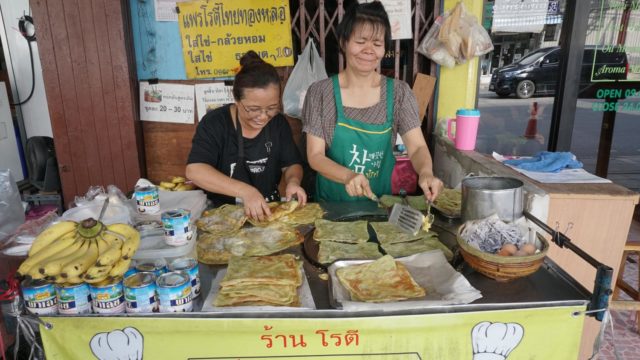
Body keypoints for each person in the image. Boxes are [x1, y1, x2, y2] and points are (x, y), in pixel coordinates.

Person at [302, 1, 443, 203]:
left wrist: (426, 172)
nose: (369, 50)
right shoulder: (320, 93)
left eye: (377, 44)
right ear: (343, 42)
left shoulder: (399, 93)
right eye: (361, 41)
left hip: (378, 204)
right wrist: (348, 176)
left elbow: (418, 147)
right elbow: (315, 156)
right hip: (331, 206)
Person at [186, 51, 307, 221]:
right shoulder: (215, 123)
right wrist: (246, 191)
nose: (264, 116)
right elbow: (195, 170)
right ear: (235, 99)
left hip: (268, 213)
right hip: (221, 217)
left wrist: (293, 182)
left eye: (272, 108)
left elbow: (291, 164)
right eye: (254, 109)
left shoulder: (278, 124)